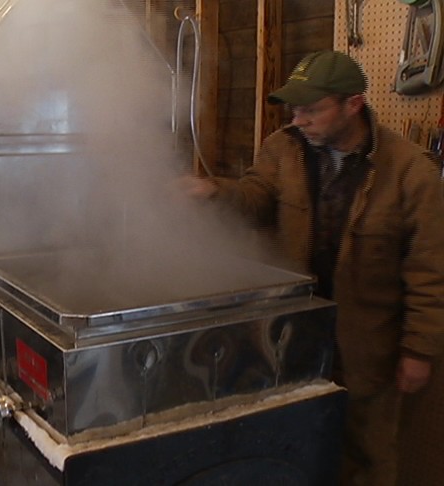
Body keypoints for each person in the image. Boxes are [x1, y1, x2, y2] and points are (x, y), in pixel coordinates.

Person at [183, 50, 444, 486]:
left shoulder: (411, 171)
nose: (299, 120)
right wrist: (214, 192)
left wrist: (418, 350)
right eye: (294, 109)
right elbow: (255, 197)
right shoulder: (282, 148)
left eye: (311, 109)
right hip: (294, 336)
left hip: (368, 347)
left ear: (353, 104)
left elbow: (429, 270)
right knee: (298, 443)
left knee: (369, 455)